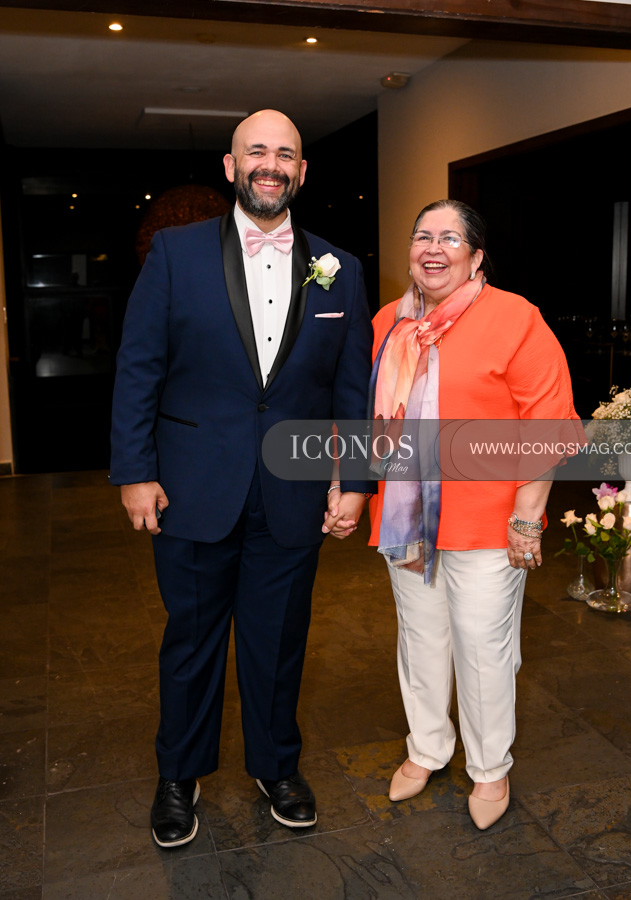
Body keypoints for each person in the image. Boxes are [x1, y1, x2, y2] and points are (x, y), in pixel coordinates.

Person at [110, 110, 373, 848]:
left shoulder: (340, 268)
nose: (270, 164)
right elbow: (138, 368)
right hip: (191, 487)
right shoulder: (175, 253)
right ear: (231, 166)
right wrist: (134, 471)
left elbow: (352, 388)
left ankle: (276, 767)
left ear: (301, 172)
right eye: (256, 151)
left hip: (293, 494)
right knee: (191, 642)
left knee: (278, 641)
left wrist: (355, 480)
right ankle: (179, 775)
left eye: (285, 154)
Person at [368, 199, 578, 829]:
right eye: (422, 236)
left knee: (484, 648)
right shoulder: (388, 322)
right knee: (420, 639)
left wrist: (527, 518)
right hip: (407, 520)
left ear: (477, 255)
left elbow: (549, 423)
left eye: (450, 238)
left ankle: (489, 767)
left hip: (489, 522)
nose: (433, 249)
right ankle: (427, 747)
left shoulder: (515, 318)